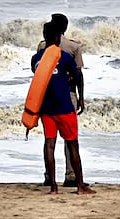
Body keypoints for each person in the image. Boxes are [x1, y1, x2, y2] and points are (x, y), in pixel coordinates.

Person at [31, 22, 94, 195]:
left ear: (44, 36)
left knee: (49, 145)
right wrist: (80, 98)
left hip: (46, 108)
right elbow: (77, 77)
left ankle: (53, 187)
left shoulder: (36, 59)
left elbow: (39, 80)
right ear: (58, 37)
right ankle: (80, 185)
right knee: (72, 144)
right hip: (65, 107)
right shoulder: (65, 56)